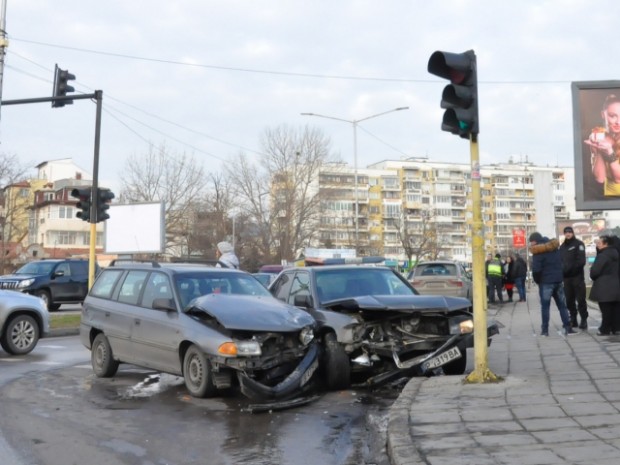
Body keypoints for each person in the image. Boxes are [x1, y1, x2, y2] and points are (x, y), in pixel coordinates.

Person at [529, 232, 576, 336]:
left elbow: (536, 270)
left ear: (535, 241)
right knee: (562, 306)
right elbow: (562, 263)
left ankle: (545, 330)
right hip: (558, 281)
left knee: (545, 307)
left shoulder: (537, 251)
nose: (531, 245)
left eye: (531, 242)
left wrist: (538, 281)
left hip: (545, 282)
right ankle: (568, 328)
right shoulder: (555, 248)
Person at [587, 94, 620, 196]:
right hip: (609, 199)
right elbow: (600, 178)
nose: (618, 122)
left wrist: (609, 152)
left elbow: (618, 179)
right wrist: (599, 147)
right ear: (603, 114)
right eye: (612, 116)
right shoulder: (598, 136)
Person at [589, 235, 620, 335]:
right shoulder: (616, 254)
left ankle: (604, 329)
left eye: (599, 243)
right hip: (616, 286)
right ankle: (616, 328)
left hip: (604, 287)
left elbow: (594, 271)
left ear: (605, 244)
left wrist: (592, 274)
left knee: (606, 310)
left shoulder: (603, 255)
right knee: (615, 309)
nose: (597, 245)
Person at [559, 226, 588, 329]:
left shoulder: (579, 244)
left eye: (569, 232)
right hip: (566, 279)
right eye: (566, 232)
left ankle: (584, 319)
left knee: (581, 300)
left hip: (577, 277)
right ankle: (573, 319)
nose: (568, 234)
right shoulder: (562, 247)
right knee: (569, 300)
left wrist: (570, 270)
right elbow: (560, 262)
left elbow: (581, 261)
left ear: (572, 233)